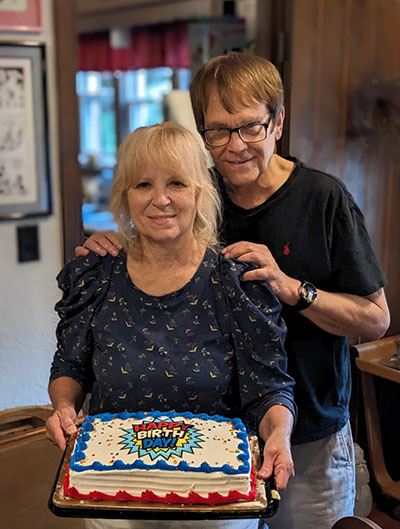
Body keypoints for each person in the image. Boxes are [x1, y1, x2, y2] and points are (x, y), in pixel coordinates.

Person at [77, 52, 391, 529]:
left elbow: (375, 319)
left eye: (250, 127)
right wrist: (123, 244)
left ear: (278, 121)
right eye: (218, 131)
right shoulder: (197, 195)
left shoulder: (323, 199)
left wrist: (291, 289)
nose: (235, 145)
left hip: (307, 431)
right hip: (217, 437)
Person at [47, 122, 297, 529]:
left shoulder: (235, 281)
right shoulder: (97, 277)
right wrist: (63, 406)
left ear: (199, 192)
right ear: (125, 197)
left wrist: (280, 435)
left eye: (177, 183)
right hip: (111, 503)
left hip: (215, 509)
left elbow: (269, 388)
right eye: (143, 185)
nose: (160, 199)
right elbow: (69, 366)